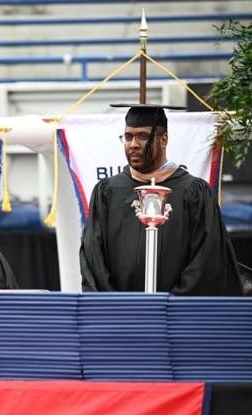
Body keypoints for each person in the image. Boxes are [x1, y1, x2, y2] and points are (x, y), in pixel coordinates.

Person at [79, 103, 244, 296]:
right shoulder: (107, 192)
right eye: (128, 136)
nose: (133, 144)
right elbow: (93, 258)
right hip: (120, 317)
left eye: (142, 136)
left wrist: (171, 305)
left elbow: (207, 258)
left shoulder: (194, 192)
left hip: (177, 317)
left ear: (164, 139)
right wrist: (117, 305)